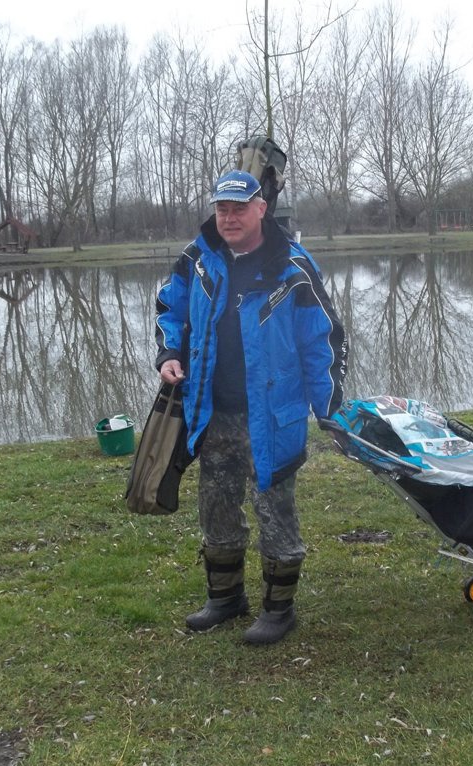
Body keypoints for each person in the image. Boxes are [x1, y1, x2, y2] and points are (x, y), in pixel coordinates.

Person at [155, 169, 347, 645]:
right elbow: (169, 310)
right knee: (216, 505)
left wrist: (330, 410)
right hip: (210, 411)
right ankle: (225, 598)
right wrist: (169, 353)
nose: (229, 217)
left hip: (273, 417)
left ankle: (279, 611)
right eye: (222, 208)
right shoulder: (198, 259)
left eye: (240, 208)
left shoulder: (293, 268)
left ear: (262, 208)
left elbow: (323, 341)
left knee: (274, 510)